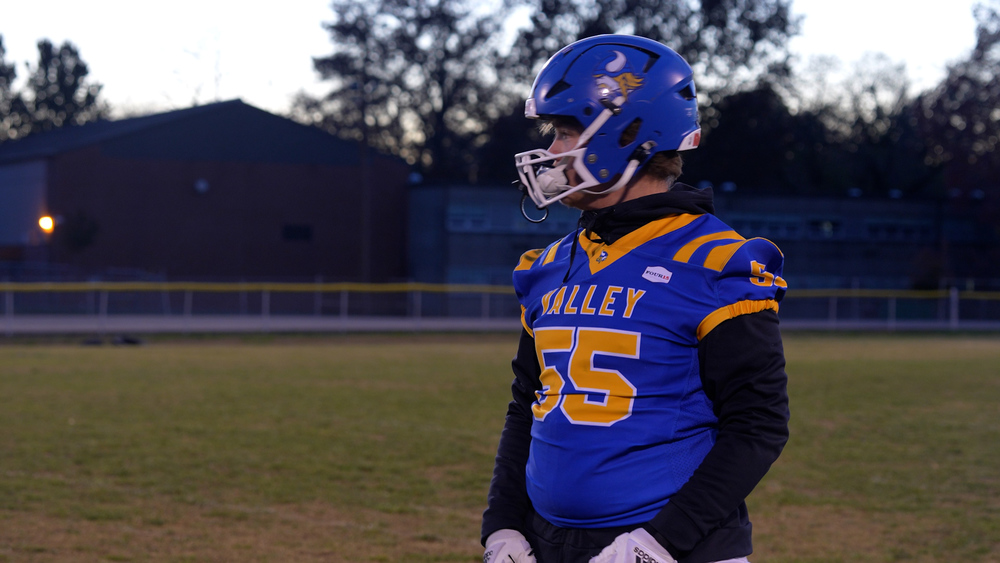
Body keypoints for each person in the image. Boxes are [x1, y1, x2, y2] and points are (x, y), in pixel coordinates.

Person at [481, 34, 790, 563]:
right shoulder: (553, 263)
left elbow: (758, 424)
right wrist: (503, 525)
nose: (553, 151)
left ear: (627, 135)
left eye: (565, 131)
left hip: (677, 547)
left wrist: (658, 544)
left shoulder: (718, 262)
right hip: (547, 541)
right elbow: (526, 406)